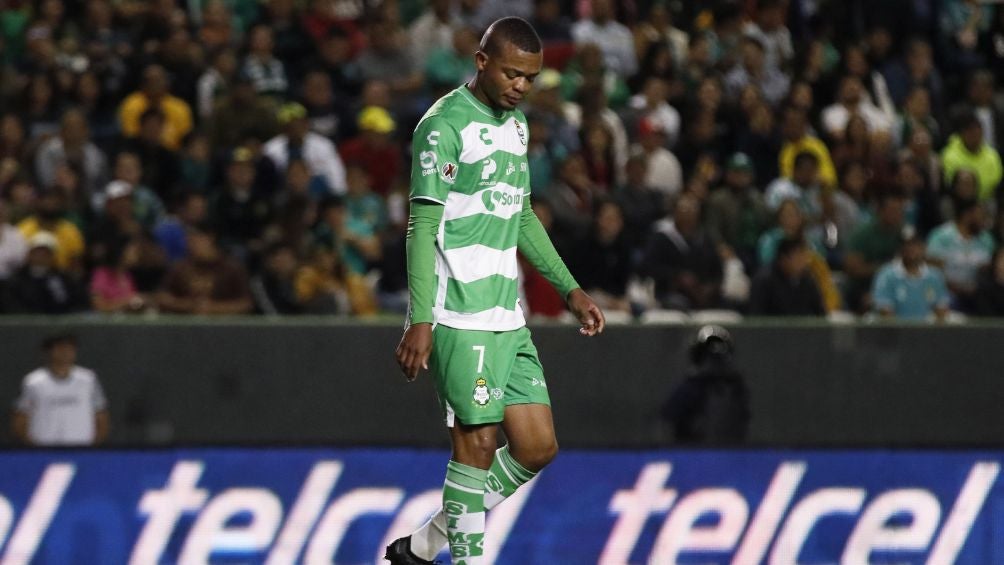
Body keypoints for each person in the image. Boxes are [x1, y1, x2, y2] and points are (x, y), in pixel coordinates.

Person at [388, 18, 605, 565]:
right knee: (478, 444)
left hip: (508, 313)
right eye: (512, 73)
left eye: (530, 78)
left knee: (536, 448)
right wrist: (420, 318)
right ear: (482, 61)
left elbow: (522, 214)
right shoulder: (443, 126)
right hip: (457, 312)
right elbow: (421, 226)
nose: (520, 87)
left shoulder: (517, 126)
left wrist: (570, 288)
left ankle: (424, 545)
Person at [12, 333, 110, 446]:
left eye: (70, 348)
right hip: (44, 449)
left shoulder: (88, 380)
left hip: (80, 448)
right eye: (60, 348)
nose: (65, 352)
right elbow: (21, 418)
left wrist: (92, 447)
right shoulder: (33, 382)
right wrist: (33, 448)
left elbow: (101, 415)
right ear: (49, 351)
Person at [661, 325, 750, 444]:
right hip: (692, 453)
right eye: (710, 358)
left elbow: (742, 425)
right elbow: (668, 419)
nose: (714, 363)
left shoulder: (735, 388)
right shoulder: (690, 388)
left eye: (718, 359)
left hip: (729, 454)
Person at [872, 233, 950, 321]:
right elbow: (885, 313)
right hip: (895, 332)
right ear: (900, 249)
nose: (911, 249)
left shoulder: (935, 276)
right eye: (906, 245)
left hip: (926, 331)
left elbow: (941, 311)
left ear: (923, 248)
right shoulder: (886, 275)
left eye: (915, 245)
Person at [749, 237, 826, 316]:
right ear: (784, 259)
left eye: (804, 257)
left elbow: (820, 312)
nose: (804, 262)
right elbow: (756, 316)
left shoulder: (807, 279)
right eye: (798, 258)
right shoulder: (764, 280)